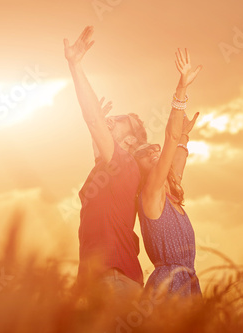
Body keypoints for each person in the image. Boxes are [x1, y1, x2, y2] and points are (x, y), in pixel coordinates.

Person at [63, 26, 148, 301]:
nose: (113, 119)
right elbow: (96, 134)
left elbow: (93, 120)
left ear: (132, 142)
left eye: (123, 120)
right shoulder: (105, 170)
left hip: (114, 281)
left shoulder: (125, 165)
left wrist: (75, 64)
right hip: (95, 283)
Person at [134, 48, 202, 300]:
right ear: (136, 167)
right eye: (143, 153)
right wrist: (181, 88)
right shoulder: (150, 191)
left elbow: (178, 160)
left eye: (154, 148)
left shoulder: (169, 193)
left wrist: (184, 136)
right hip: (169, 287)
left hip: (187, 282)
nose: (152, 150)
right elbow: (170, 138)